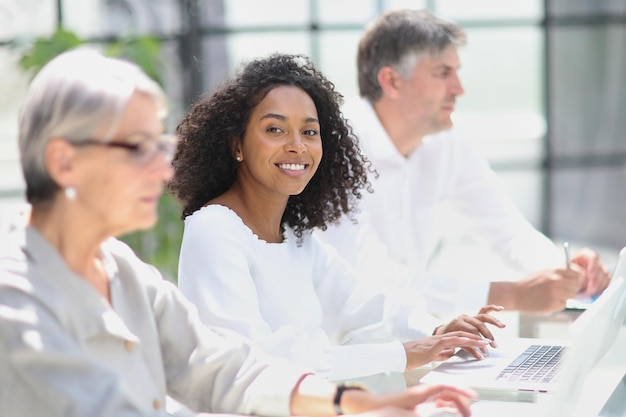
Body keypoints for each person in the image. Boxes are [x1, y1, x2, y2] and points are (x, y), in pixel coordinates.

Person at [0, 47, 478, 417]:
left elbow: (222, 368)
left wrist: (354, 402)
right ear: (65, 162)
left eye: (161, 143)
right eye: (137, 147)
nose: (161, 165)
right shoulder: (15, 298)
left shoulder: (123, 270)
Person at [168, 52, 505, 383]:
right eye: (275, 130)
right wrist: (404, 353)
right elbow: (255, 362)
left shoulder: (295, 236)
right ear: (236, 144)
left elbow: (362, 302)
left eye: (310, 132)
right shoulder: (214, 229)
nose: (297, 146)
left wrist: (436, 329)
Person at [315, 9, 611, 316]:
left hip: (413, 337)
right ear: (391, 80)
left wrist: (566, 270)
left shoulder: (445, 141)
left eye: (457, 72)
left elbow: (507, 231)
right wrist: (511, 295)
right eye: (443, 73)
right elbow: (369, 276)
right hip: (337, 348)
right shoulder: (334, 151)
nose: (459, 88)